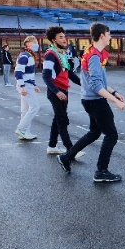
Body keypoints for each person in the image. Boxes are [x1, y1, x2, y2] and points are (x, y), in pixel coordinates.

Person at [56, 23, 125, 183]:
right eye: (109, 34)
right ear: (102, 35)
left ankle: (67, 157)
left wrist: (114, 92)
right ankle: (101, 171)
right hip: (95, 101)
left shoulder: (93, 52)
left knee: (94, 133)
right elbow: (96, 86)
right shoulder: (94, 56)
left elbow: (98, 82)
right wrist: (114, 100)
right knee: (112, 134)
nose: (110, 37)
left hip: (89, 100)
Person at [42, 26, 84, 157]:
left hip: (64, 90)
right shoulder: (50, 55)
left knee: (58, 118)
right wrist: (56, 92)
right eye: (61, 37)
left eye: (64, 36)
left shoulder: (63, 54)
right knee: (62, 120)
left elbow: (70, 74)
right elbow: (46, 76)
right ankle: (71, 151)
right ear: (53, 40)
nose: (64, 39)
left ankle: (52, 146)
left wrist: (84, 84)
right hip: (56, 92)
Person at [14, 36, 41, 140]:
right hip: (25, 85)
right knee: (35, 107)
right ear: (28, 43)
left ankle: (24, 132)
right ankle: (21, 129)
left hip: (26, 84)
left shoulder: (28, 55)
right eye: (35, 42)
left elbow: (27, 74)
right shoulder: (26, 56)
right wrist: (22, 86)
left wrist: (33, 85)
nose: (37, 44)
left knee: (25, 110)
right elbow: (18, 72)